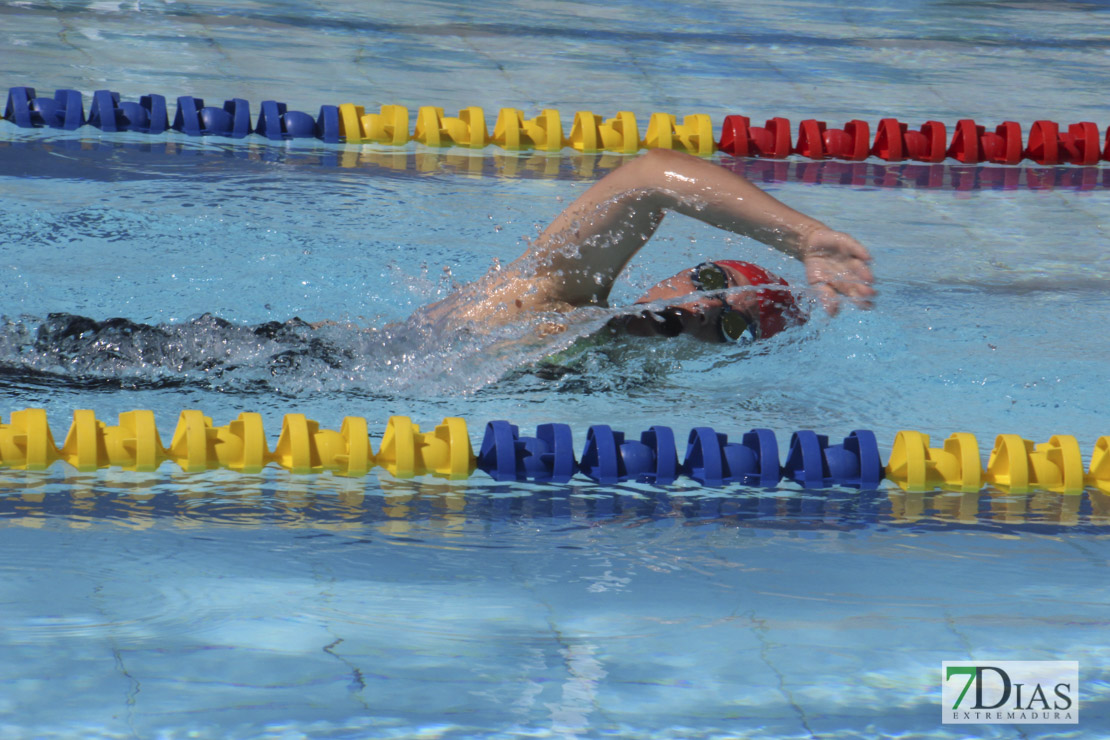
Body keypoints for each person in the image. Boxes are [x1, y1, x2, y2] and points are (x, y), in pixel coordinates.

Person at [418, 148, 874, 344]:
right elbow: (652, 178)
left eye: (734, 328)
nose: (705, 308)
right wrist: (802, 238)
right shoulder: (557, 295)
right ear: (676, 277)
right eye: (711, 281)